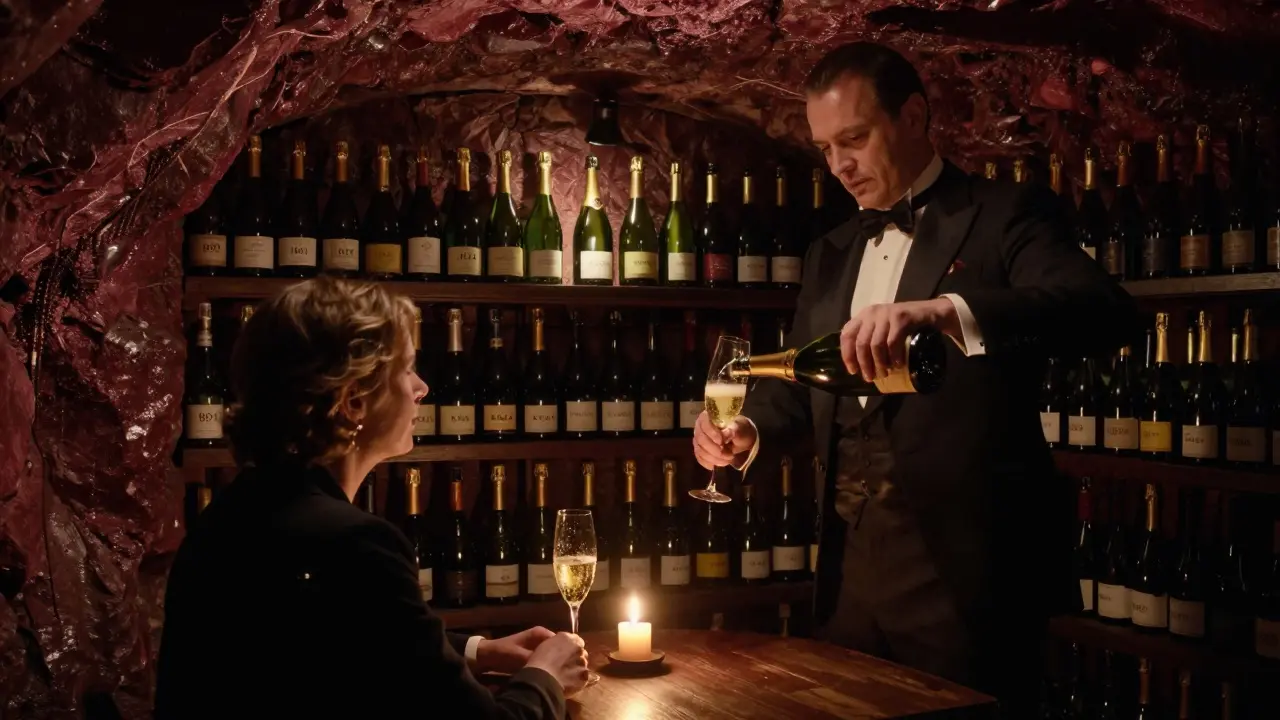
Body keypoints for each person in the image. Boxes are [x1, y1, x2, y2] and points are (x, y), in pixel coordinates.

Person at [693, 42, 1137, 715]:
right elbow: (799, 394)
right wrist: (747, 431)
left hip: (965, 579)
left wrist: (947, 311)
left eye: (855, 138)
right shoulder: (831, 251)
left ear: (915, 116)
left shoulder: (1004, 214)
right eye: (825, 147)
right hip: (849, 574)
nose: (839, 165)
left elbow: (1105, 314)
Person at [155, 278, 588, 719]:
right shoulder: (355, 544)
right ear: (353, 401)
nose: (421, 387)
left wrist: (481, 650)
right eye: (406, 369)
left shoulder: (236, 511)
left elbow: (352, 633)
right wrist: (546, 676)